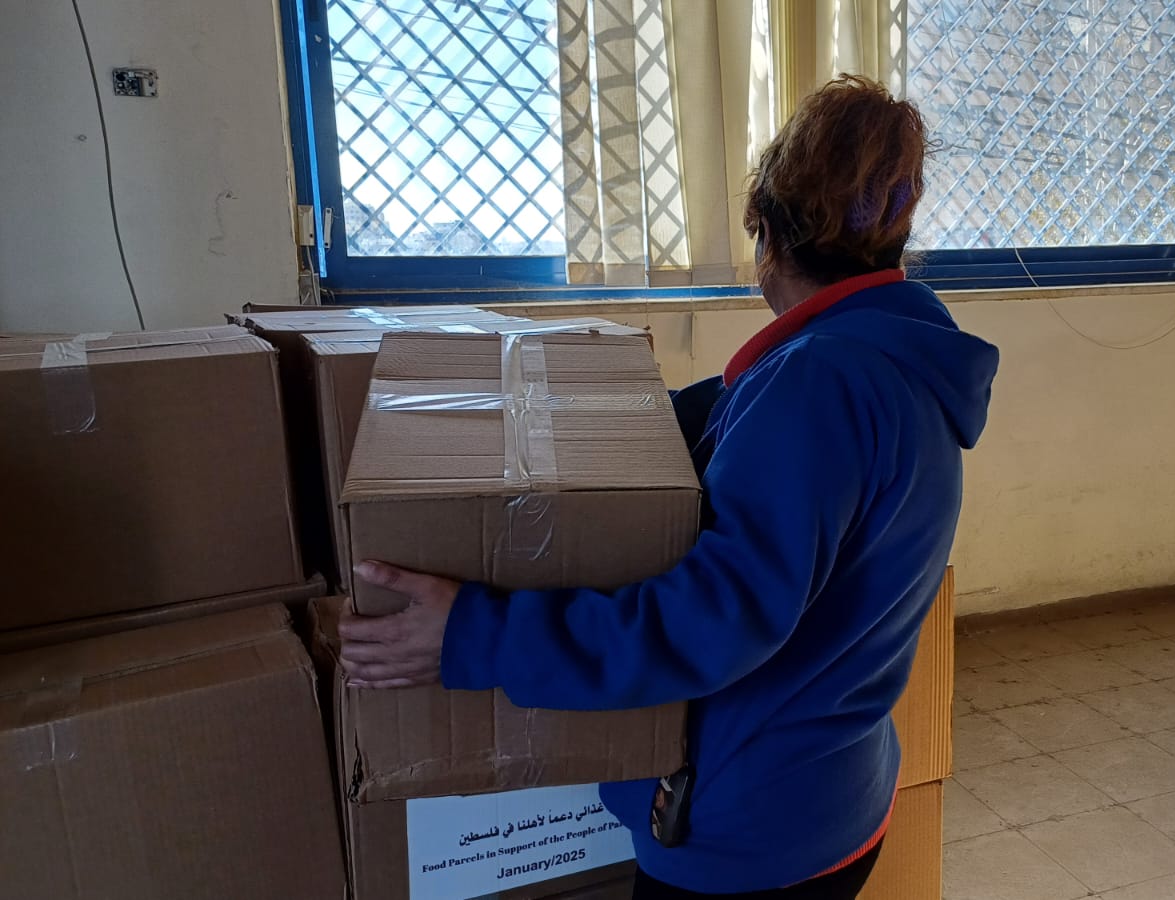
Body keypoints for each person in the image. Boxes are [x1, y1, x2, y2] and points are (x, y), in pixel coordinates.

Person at [338, 75, 1000, 899]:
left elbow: (709, 622)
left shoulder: (816, 387)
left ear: (767, 235)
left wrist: (473, 635)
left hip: (749, 841)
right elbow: (728, 422)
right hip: (828, 793)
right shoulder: (897, 363)